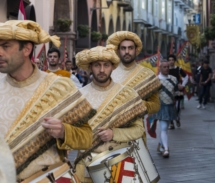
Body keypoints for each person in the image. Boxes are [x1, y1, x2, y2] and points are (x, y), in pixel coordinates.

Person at [0, 20, 93, 181]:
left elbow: (87, 137)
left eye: (6, 46)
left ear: (27, 49)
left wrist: (64, 132)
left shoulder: (59, 86)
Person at [75, 45, 147, 182]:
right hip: (86, 167)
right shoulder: (79, 96)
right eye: (97, 65)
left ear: (112, 67)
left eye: (106, 65)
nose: (102, 70)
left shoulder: (127, 94)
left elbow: (139, 129)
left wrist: (114, 133)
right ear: (90, 67)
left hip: (119, 166)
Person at [106, 31, 161, 143]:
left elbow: (155, 105)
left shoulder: (146, 74)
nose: (127, 52)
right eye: (123, 48)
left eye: (130, 48)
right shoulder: (108, 73)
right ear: (118, 51)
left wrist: (134, 104)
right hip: (108, 133)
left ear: (136, 50)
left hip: (135, 132)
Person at [152, 60, 177, 158]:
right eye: (165, 67)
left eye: (168, 67)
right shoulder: (156, 80)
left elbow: (175, 90)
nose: (167, 68)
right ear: (160, 68)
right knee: (163, 128)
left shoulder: (174, 79)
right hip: (161, 107)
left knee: (165, 128)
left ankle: (161, 145)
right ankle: (166, 149)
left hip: (170, 106)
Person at [168, 54, 188, 129]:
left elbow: (186, 77)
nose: (171, 61)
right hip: (168, 90)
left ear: (174, 61)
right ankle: (171, 123)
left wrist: (182, 85)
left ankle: (177, 118)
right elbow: (160, 77)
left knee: (177, 107)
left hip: (177, 90)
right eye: (169, 60)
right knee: (169, 106)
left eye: (172, 60)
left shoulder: (178, 69)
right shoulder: (165, 69)